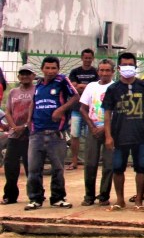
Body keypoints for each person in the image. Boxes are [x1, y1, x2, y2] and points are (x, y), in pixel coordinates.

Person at [25, 56, 79, 210]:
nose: (50, 71)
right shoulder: (39, 84)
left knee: (57, 168)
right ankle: (35, 198)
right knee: (34, 168)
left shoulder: (62, 81)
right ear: (42, 69)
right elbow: (33, 103)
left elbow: (75, 97)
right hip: (37, 133)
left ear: (58, 69)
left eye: (53, 68)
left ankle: (58, 198)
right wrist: (29, 120)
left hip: (56, 132)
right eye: (47, 68)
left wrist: (61, 109)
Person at [103, 52, 144, 212]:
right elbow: (107, 113)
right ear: (118, 68)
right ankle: (120, 200)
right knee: (117, 168)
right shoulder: (113, 89)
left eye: (130, 65)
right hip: (119, 134)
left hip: (141, 134)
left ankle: (139, 200)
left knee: (142, 168)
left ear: (136, 67)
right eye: (124, 65)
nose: (127, 68)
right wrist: (108, 135)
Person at [80, 59, 116, 206]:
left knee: (109, 165)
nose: (104, 73)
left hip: (110, 131)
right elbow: (83, 108)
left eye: (107, 70)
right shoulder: (91, 86)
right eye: (101, 70)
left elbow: (119, 112)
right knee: (90, 164)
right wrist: (92, 127)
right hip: (92, 130)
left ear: (113, 72)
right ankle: (89, 196)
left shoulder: (116, 87)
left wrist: (105, 128)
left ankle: (104, 196)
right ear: (98, 71)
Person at [1, 65, 36, 205]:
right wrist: (14, 127)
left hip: (31, 134)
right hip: (14, 135)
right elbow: (8, 111)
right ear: (18, 76)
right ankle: (10, 196)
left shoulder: (36, 91)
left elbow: (37, 111)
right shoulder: (13, 92)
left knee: (31, 167)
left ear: (33, 76)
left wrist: (26, 126)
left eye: (28, 74)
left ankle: (35, 196)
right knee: (10, 166)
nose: (25, 76)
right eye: (22, 74)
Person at [67, 48, 100, 170]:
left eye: (89, 58)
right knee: (74, 135)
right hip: (76, 108)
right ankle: (74, 161)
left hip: (91, 109)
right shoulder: (75, 71)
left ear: (92, 59)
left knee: (90, 136)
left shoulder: (96, 72)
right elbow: (73, 87)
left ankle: (88, 161)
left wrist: (81, 86)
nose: (87, 60)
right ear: (82, 58)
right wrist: (87, 87)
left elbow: (96, 87)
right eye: (85, 58)